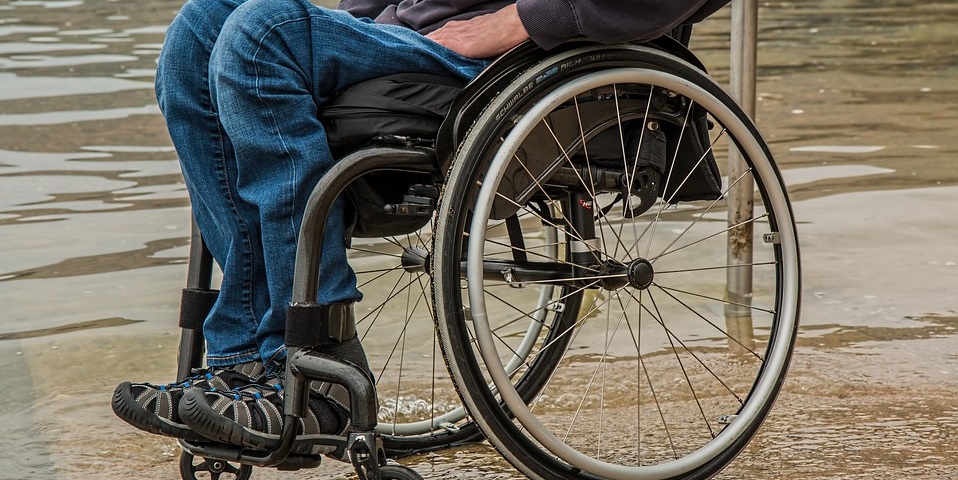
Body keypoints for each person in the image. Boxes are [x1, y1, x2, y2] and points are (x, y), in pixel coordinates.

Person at [112, 0, 729, 449]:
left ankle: (322, 361)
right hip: (414, 40)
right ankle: (243, 361)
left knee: (261, 32)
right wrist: (357, 24)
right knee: (198, 31)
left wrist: (516, 20)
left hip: (513, 58)